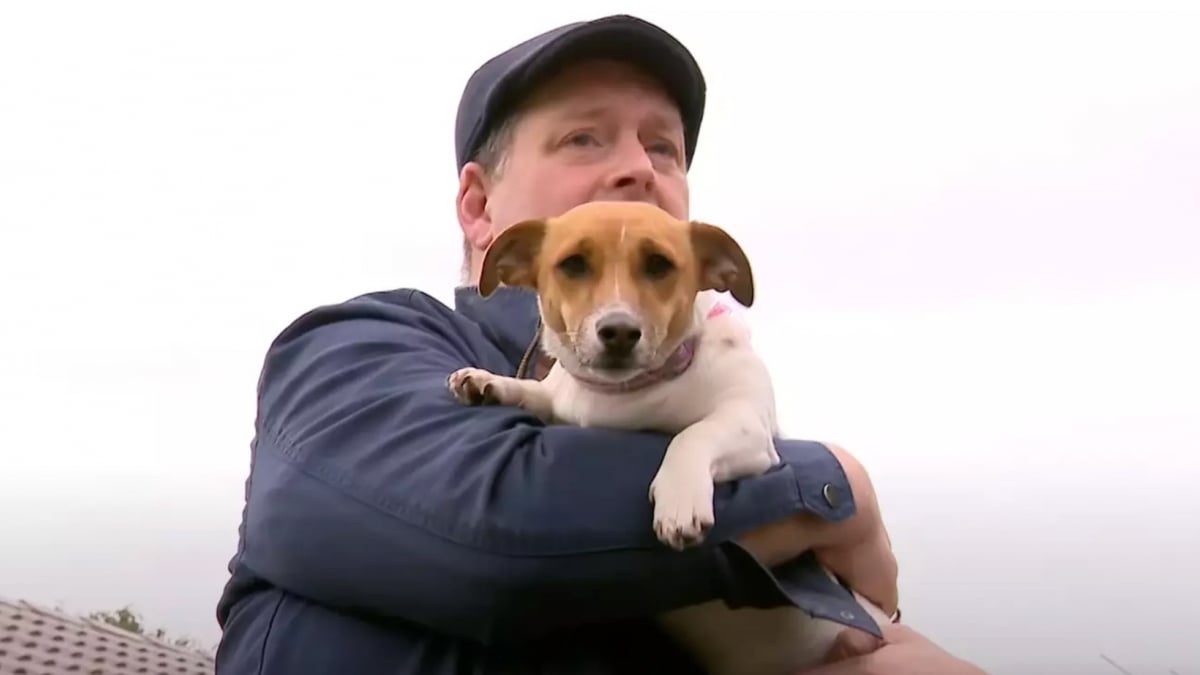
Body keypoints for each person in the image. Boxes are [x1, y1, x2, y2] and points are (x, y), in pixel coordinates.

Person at [214, 13, 983, 675]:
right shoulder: (358, 349)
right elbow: (506, 536)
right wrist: (834, 488)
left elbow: (843, 633)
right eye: (585, 138)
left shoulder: (704, 382)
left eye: (665, 149)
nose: (637, 170)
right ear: (481, 209)